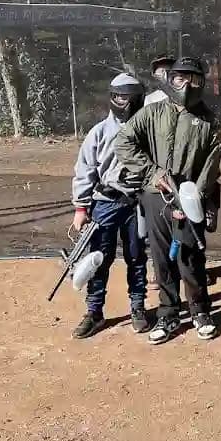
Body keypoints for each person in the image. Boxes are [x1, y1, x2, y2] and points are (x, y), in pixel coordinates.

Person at [114, 56, 221, 345]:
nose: (186, 85)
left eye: (194, 79)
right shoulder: (151, 113)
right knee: (162, 258)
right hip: (154, 196)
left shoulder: (208, 119)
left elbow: (212, 165)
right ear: (170, 80)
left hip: (190, 198)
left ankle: (200, 311)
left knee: (191, 257)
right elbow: (123, 142)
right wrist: (152, 172)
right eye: (179, 78)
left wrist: (194, 196)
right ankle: (168, 313)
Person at [70, 73, 149, 339]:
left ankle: (138, 307)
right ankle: (94, 312)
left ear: (138, 99)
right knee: (97, 260)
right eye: (117, 97)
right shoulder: (99, 132)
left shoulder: (147, 130)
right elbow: (85, 170)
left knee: (136, 258)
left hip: (137, 204)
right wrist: (81, 208)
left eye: (128, 97)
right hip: (105, 203)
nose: (122, 102)